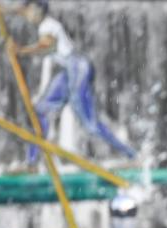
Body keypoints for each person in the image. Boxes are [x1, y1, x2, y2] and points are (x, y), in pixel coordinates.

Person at [11, 0, 135, 163]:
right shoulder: (43, 23)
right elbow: (17, 10)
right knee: (41, 110)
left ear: (38, 9)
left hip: (77, 68)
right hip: (68, 71)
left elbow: (46, 46)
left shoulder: (48, 25)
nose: (26, 15)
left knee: (90, 124)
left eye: (28, 11)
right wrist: (3, 10)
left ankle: (130, 154)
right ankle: (32, 162)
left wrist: (21, 50)